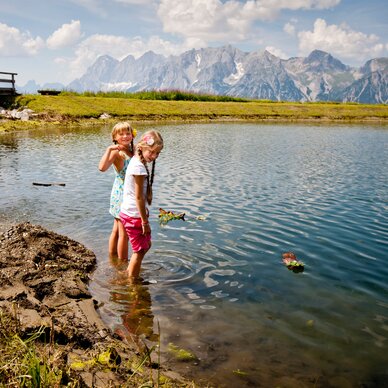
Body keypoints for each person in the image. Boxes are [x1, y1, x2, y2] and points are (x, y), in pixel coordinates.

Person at [119, 130, 164, 278]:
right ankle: (132, 282)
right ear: (142, 147)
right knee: (139, 251)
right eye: (152, 152)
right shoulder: (138, 167)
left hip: (130, 213)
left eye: (157, 153)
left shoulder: (136, 159)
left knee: (145, 246)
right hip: (134, 215)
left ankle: (129, 272)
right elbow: (138, 197)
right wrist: (144, 222)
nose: (154, 156)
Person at [98, 122, 136, 260]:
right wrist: (109, 149)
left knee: (116, 228)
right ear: (114, 137)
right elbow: (102, 168)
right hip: (121, 194)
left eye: (128, 133)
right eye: (121, 134)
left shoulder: (132, 150)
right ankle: (122, 263)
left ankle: (112, 258)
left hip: (128, 193)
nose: (125, 136)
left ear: (132, 135)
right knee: (124, 233)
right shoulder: (116, 151)